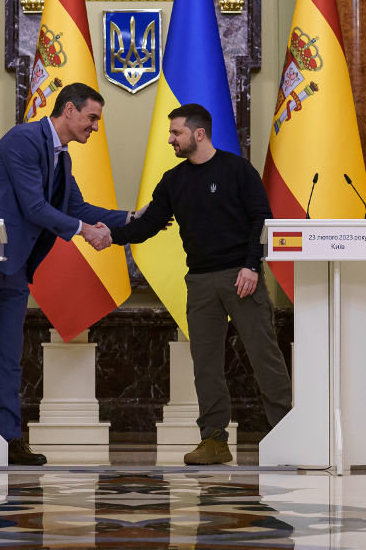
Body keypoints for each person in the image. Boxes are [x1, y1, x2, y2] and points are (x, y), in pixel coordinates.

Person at [103, 103, 292, 465]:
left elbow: (261, 218)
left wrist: (252, 265)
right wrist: (108, 235)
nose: (170, 139)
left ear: (198, 133)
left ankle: (286, 432)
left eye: (176, 133)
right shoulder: (173, 180)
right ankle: (214, 441)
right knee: (205, 363)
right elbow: (148, 225)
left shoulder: (237, 170)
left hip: (242, 277)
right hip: (201, 283)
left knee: (264, 356)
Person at [0, 83, 132, 465]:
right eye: (92, 118)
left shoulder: (62, 158)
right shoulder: (23, 140)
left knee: (8, 357)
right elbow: (36, 207)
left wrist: (134, 220)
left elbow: (78, 206)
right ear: (69, 110)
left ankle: (9, 440)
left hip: (16, 266)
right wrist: (84, 232)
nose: (95, 127)